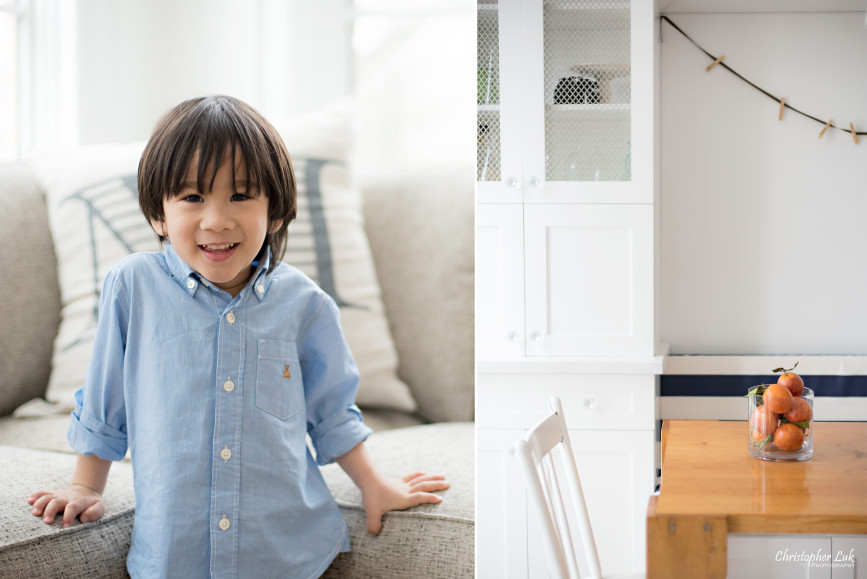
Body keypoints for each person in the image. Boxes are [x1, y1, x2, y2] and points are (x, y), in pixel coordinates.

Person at [27, 95, 448, 577]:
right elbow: (105, 401)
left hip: (288, 552)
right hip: (172, 556)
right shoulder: (132, 288)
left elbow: (331, 411)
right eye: (192, 197)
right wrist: (85, 488)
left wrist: (373, 484)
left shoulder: (304, 304)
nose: (217, 219)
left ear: (275, 214)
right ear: (157, 215)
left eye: (241, 196)